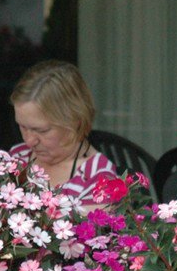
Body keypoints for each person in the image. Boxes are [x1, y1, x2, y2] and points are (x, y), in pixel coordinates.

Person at [9, 60, 117, 210]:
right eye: (22, 126)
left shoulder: (98, 179)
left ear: (75, 121)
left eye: (42, 130)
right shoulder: (18, 156)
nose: (29, 141)